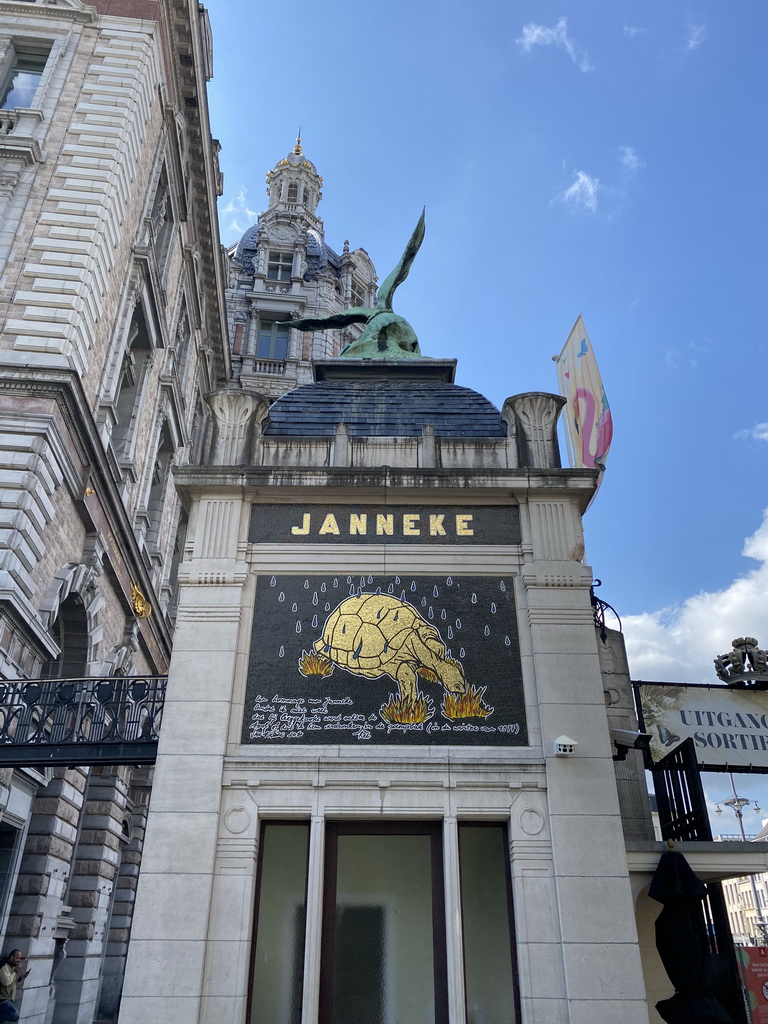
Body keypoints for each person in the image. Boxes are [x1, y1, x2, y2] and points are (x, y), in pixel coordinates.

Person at [0, 950, 29, 1022]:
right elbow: (6, 982)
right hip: (2, 999)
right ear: (12, 957)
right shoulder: (4, 967)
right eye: (17, 958)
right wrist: (16, 971)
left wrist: (20, 979)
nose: (18, 961)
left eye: (19, 958)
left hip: (9, 999)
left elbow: (12, 984)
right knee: (15, 1016)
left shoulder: (12, 967)